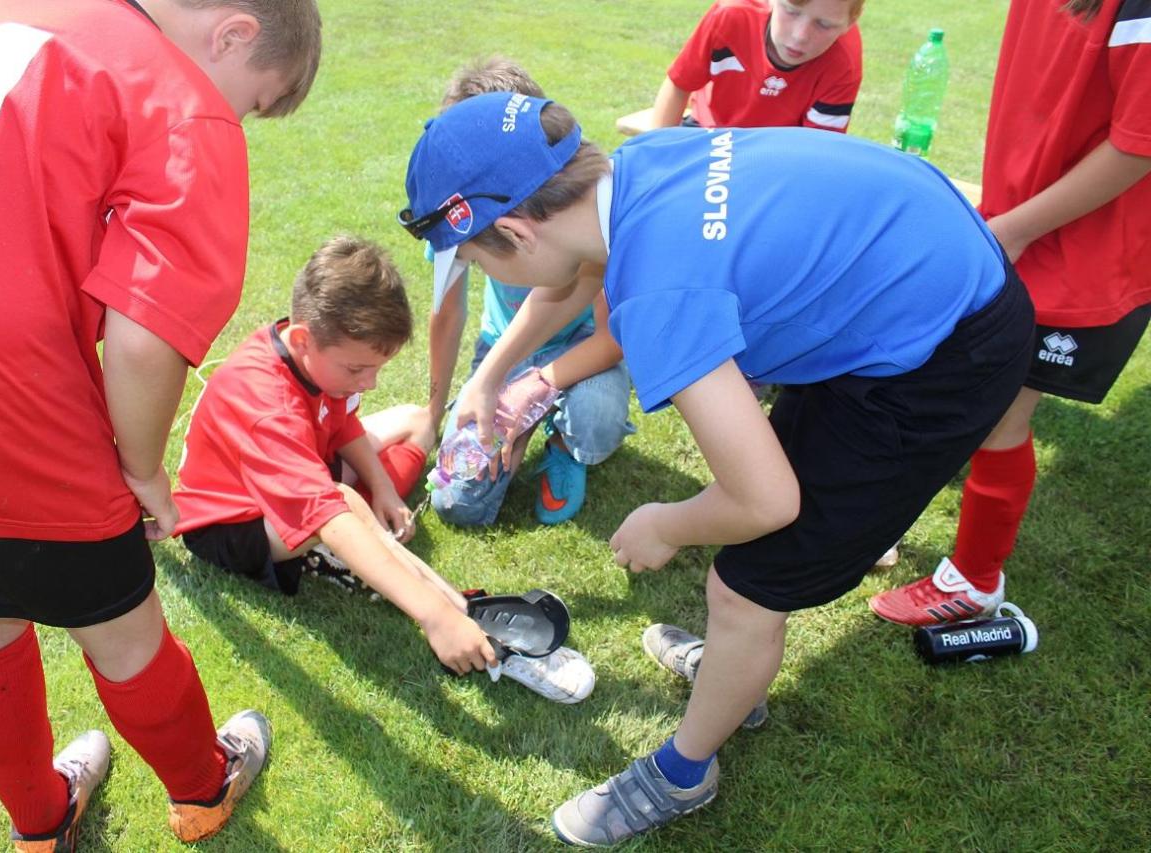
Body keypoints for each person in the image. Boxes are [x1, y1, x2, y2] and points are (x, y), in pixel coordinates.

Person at [396, 92, 1034, 845]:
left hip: (943, 354)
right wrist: (490, 377)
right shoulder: (638, 166)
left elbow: (765, 500)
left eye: (475, 258)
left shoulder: (661, 294)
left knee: (746, 586)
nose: (479, 268)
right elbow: (577, 272)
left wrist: (666, 523)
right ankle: (733, 679)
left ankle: (684, 770)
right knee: (756, 559)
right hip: (920, 276)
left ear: (513, 230)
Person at [0, 0, 321, 849]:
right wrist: (143, 468)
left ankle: (39, 823)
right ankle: (202, 787)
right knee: (122, 628)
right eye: (254, 103)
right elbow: (147, 332)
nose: (238, 121)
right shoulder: (175, 94)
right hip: (18, 415)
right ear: (233, 34)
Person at [173, 236, 595, 704]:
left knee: (417, 422)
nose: (370, 383)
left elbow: (342, 423)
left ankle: (376, 560)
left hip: (299, 468)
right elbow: (328, 514)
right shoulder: (266, 408)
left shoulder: (311, 356)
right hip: (231, 523)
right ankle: (459, 609)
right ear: (303, 340)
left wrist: (385, 491)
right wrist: (434, 616)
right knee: (344, 505)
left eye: (376, 368)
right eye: (358, 370)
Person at [869, 0, 1151, 626]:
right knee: (936, 375)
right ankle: (871, 523)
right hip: (1018, 220)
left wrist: (1016, 229)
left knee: (998, 412)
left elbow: (1139, 144)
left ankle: (974, 582)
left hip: (1080, 250)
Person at [424, 59, 634, 527]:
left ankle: (565, 445)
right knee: (460, 501)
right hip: (505, 350)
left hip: (580, 349)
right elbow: (447, 314)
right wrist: (437, 411)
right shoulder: (454, 216)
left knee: (596, 416)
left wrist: (530, 388)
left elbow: (610, 336)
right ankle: (521, 433)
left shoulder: (583, 221)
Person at [649, 0, 863, 132]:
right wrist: (656, 153)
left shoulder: (844, 61)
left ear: (850, 22)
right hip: (707, 130)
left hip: (780, 153)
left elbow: (816, 148)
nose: (800, 36)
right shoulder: (730, 15)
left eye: (824, 24)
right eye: (791, 11)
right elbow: (680, 84)